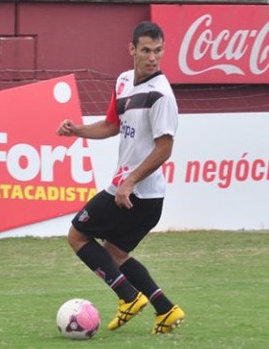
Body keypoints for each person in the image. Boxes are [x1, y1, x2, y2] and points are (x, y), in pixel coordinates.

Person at [56, 21, 184, 334]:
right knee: (115, 253)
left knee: (77, 235)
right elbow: (112, 125)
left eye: (157, 51)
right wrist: (78, 131)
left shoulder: (161, 96)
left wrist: (130, 181)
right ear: (132, 50)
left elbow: (164, 148)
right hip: (134, 192)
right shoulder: (124, 81)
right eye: (145, 50)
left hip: (139, 193)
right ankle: (166, 310)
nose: (152, 57)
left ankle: (128, 296)